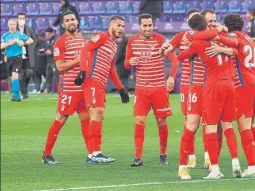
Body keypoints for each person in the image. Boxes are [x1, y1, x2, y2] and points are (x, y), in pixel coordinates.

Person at [177, 14, 240, 179]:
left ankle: (213, 165)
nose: (213, 23)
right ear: (205, 22)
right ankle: (183, 166)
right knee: (193, 125)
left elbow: (181, 56)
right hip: (198, 87)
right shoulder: (213, 35)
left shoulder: (202, 39)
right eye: (210, 21)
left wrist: (187, 49)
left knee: (211, 127)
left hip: (211, 86)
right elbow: (235, 47)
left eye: (215, 20)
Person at [124, 14, 179, 167]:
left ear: (153, 25)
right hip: (141, 90)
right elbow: (126, 63)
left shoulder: (161, 40)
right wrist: (130, 62)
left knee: (161, 122)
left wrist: (171, 77)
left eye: (150, 25)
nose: (147, 28)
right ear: (139, 26)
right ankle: (138, 157)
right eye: (144, 26)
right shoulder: (132, 41)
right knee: (139, 120)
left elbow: (174, 60)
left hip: (158, 89)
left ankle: (163, 153)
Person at [74, 15, 130, 163]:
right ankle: (94, 154)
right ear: (111, 25)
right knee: (96, 113)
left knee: (99, 115)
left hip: (100, 83)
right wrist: (83, 71)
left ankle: (93, 154)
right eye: (118, 25)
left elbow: (111, 68)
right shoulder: (102, 36)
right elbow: (84, 50)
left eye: (123, 27)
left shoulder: (113, 45)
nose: (121, 29)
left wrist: (121, 88)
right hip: (92, 80)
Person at [42, 11, 90, 164]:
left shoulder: (83, 40)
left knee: (86, 119)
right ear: (63, 24)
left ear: (77, 22)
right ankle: (47, 155)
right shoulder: (60, 42)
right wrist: (78, 59)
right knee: (61, 118)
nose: (71, 22)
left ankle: (92, 154)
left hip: (83, 87)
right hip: (69, 87)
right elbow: (60, 67)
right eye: (67, 20)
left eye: (73, 19)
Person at [221, 13, 255, 177]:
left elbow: (229, 41)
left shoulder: (233, 37)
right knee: (252, 125)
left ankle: (252, 167)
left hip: (244, 85)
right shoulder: (249, 39)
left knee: (243, 126)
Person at [161, 8, 201, 170]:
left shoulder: (206, 37)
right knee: (187, 119)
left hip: (203, 82)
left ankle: (208, 156)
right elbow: (166, 49)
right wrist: (167, 48)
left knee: (206, 120)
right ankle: (190, 155)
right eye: (191, 19)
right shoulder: (181, 36)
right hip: (186, 83)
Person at [1, 19, 34, 101]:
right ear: (8, 25)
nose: (12, 26)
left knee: (15, 75)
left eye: (13, 24)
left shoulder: (19, 34)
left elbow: (31, 40)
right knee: (12, 77)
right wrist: (10, 43)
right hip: (9, 58)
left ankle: (16, 95)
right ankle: (16, 94)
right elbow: (1, 46)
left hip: (18, 58)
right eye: (10, 24)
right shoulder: (5, 35)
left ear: (16, 25)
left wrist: (23, 43)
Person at [17, 12, 36, 99]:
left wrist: (30, 46)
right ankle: (24, 93)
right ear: (17, 19)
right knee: (20, 75)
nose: (21, 20)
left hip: (28, 55)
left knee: (29, 73)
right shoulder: (14, 30)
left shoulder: (29, 29)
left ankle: (24, 89)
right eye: (20, 18)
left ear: (25, 19)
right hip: (17, 56)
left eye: (23, 18)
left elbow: (34, 40)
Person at [45, 27, 58, 93]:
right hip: (49, 62)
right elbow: (47, 48)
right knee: (48, 77)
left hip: (55, 62)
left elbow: (59, 50)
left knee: (56, 77)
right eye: (47, 34)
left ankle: (60, 91)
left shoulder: (57, 40)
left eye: (49, 34)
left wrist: (52, 52)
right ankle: (48, 92)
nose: (48, 36)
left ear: (52, 33)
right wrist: (44, 51)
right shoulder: (47, 40)